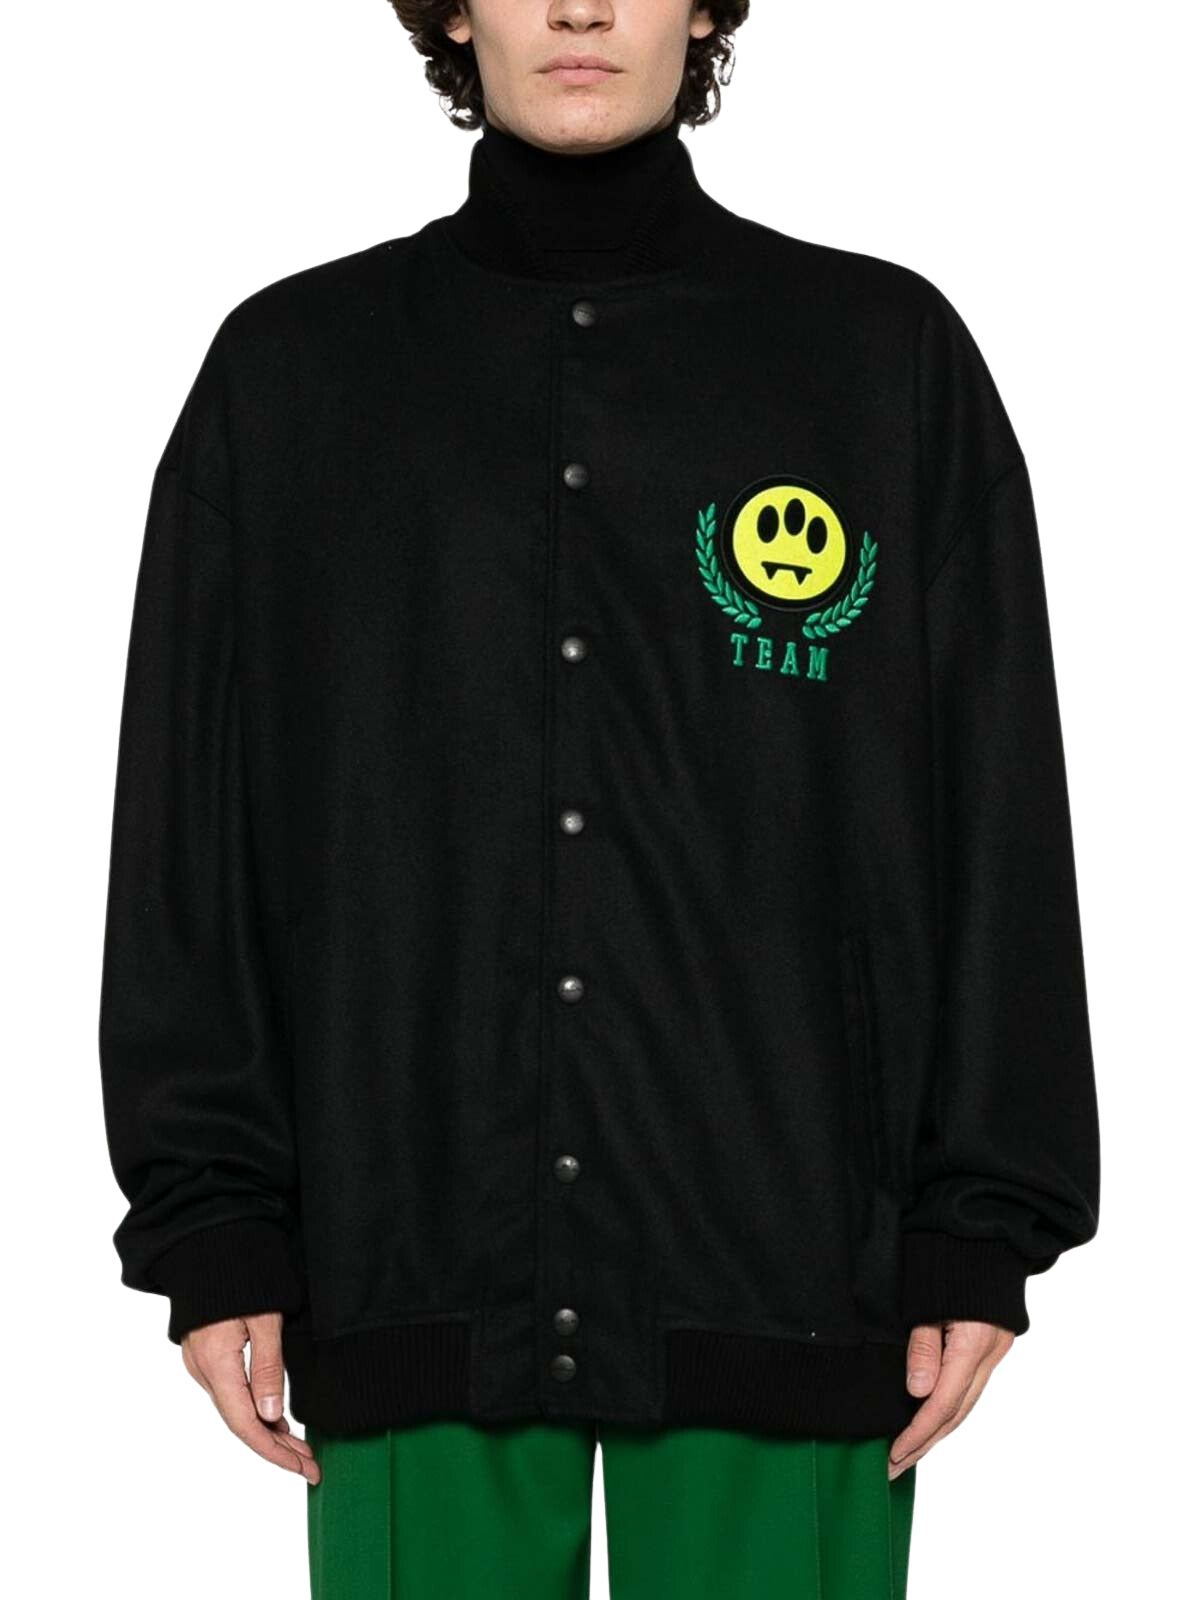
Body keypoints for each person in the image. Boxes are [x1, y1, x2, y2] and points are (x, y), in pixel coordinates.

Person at [97, 3, 1101, 1595]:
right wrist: (212, 1222)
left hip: (794, 1267)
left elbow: (996, 814)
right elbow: (189, 832)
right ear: (454, 8)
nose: (578, 7)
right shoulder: (291, 377)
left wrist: (985, 1219)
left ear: (703, 6)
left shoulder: (878, 357)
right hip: (408, 1252)